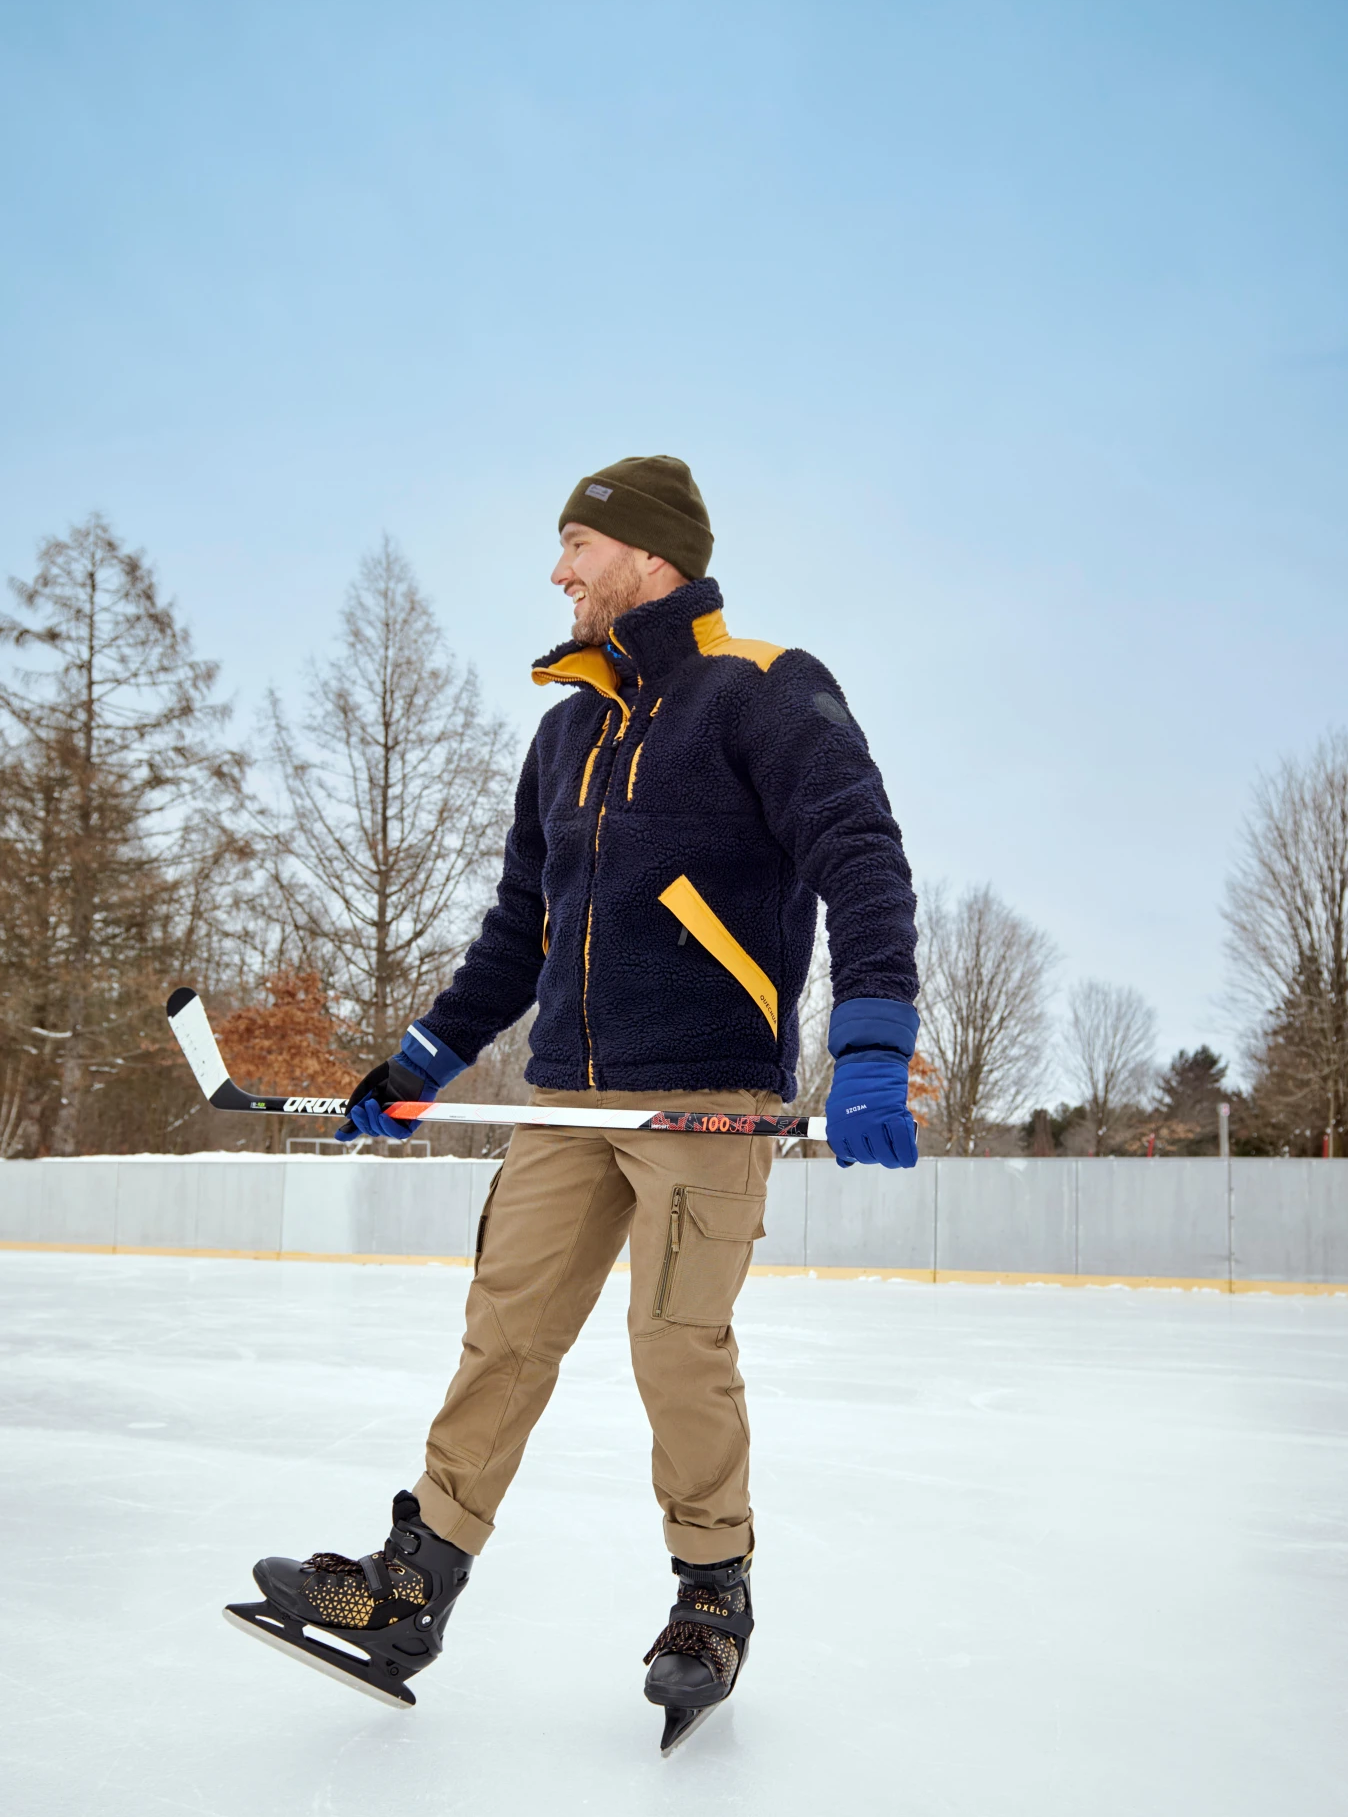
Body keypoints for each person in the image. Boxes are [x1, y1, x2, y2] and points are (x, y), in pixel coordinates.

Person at [228, 455, 919, 1750]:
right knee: (504, 1328)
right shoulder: (568, 732)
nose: (558, 572)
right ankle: (411, 1587)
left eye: (577, 545)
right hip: (568, 1098)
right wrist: (418, 1065)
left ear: (651, 557)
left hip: (703, 1095)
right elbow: (515, 934)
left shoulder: (764, 691)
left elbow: (859, 851)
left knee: (675, 1340)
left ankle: (711, 1592)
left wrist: (874, 1035)